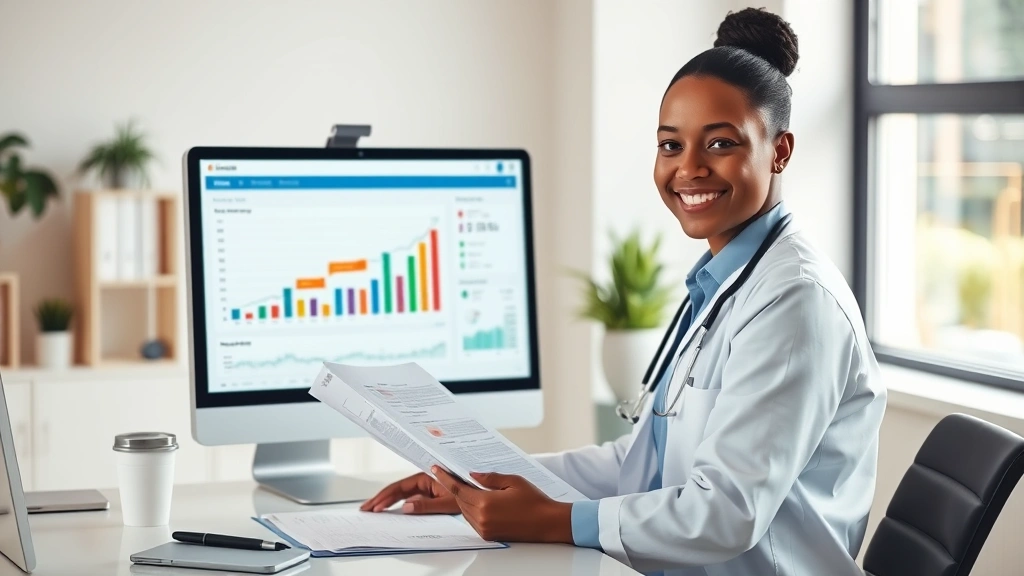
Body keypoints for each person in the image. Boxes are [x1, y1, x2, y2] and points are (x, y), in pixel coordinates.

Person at [360, 7, 886, 575]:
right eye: (670, 145)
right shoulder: (723, 280)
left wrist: (552, 520)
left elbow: (725, 511)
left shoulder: (794, 301)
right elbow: (643, 460)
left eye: (719, 144)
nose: (689, 169)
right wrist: (480, 480)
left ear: (779, 150)